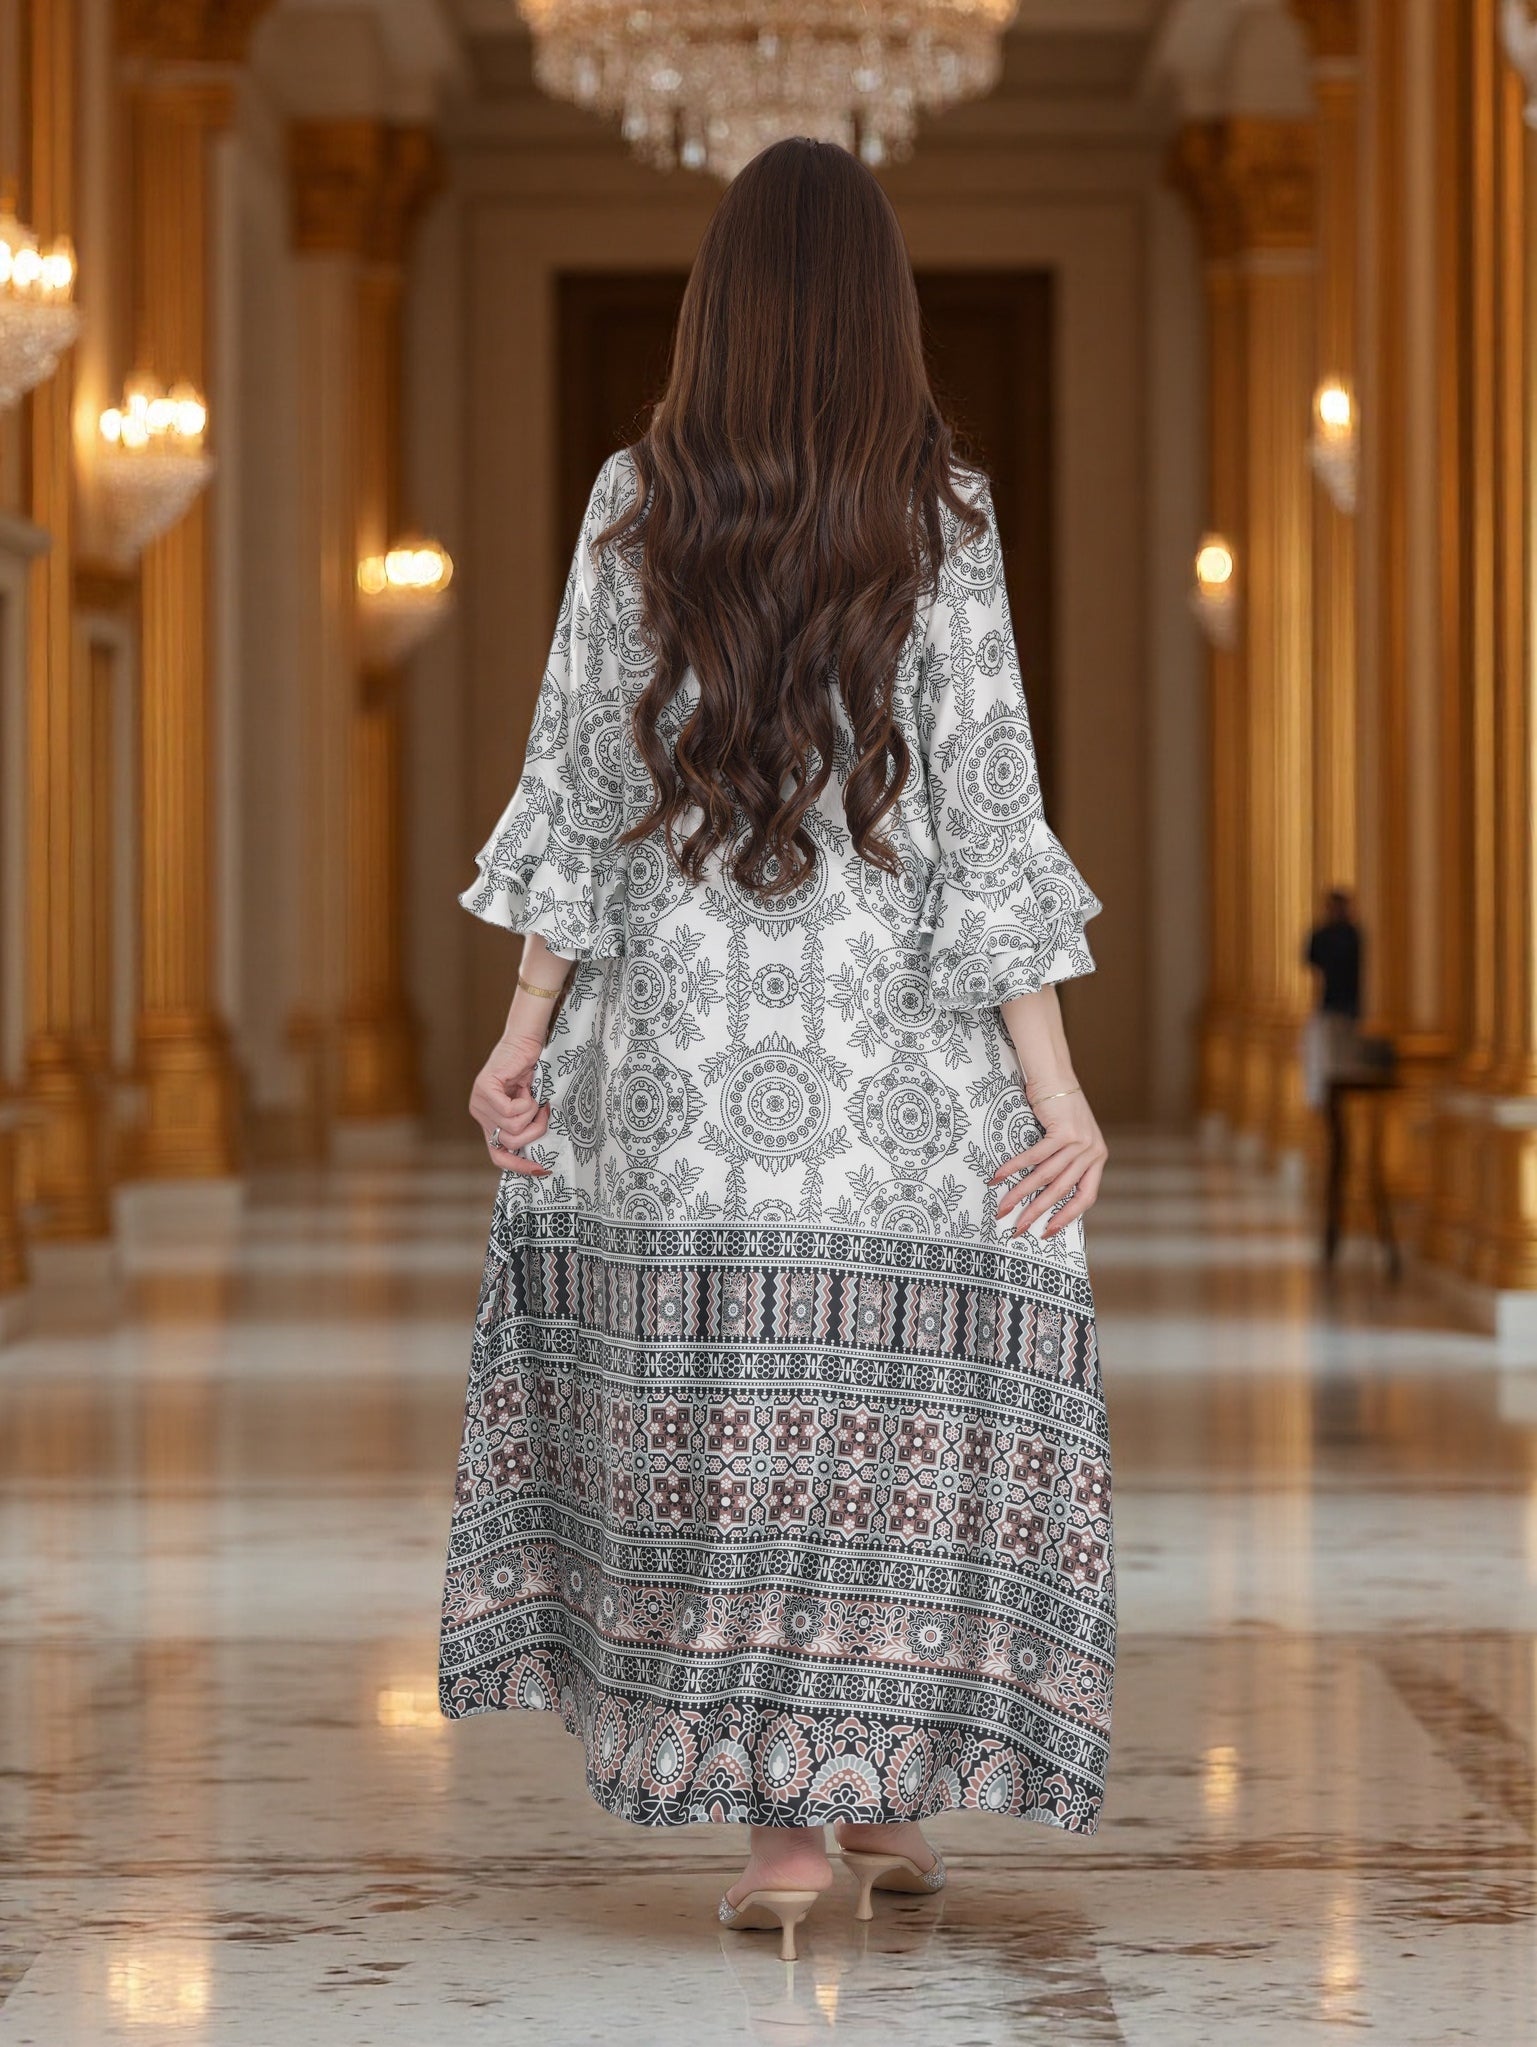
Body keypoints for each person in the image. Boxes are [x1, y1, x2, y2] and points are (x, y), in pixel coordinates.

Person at [439, 137, 1113, 1958]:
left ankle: (799, 1824)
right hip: (898, 1062)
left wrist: (522, 1031)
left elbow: (578, 784)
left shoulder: (636, 502)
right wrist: (1055, 1093)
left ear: (715, 305)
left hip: (681, 1063)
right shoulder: (941, 509)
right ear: (884, 308)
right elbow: (987, 810)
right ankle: (859, 1780)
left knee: (720, 1415)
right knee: (879, 1413)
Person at [1302, 888, 1363, 1109]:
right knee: (1342, 1062)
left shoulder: (1325, 935)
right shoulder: (1354, 936)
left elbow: (1310, 959)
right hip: (1346, 1007)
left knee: (1335, 1062)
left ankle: (1335, 1105)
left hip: (1339, 1006)